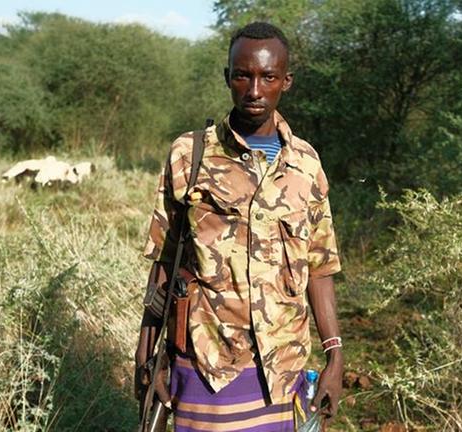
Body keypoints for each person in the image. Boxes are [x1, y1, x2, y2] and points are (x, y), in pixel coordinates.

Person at [135, 22, 344, 431]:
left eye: (268, 77)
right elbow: (164, 261)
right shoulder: (190, 155)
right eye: (242, 75)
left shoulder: (306, 163)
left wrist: (335, 356)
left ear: (286, 81)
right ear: (227, 77)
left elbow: (319, 266)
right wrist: (146, 362)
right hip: (206, 365)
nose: (254, 90)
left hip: (284, 370)